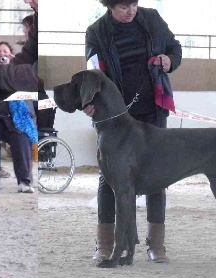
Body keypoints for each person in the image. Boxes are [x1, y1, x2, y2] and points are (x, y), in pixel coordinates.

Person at [83, 0, 182, 264]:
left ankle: (156, 244)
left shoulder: (152, 20)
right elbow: (95, 73)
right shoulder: (97, 32)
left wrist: (168, 60)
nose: (131, 11)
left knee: (157, 174)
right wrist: (90, 103)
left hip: (152, 110)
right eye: (123, 6)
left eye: (134, 4)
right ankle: (105, 243)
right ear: (109, 6)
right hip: (114, 117)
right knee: (109, 178)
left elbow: (175, 48)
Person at [0, 42, 36, 194]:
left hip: (12, 121)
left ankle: (24, 180)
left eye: (6, 51)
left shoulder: (17, 75)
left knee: (22, 138)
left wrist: (16, 61)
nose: (2, 55)